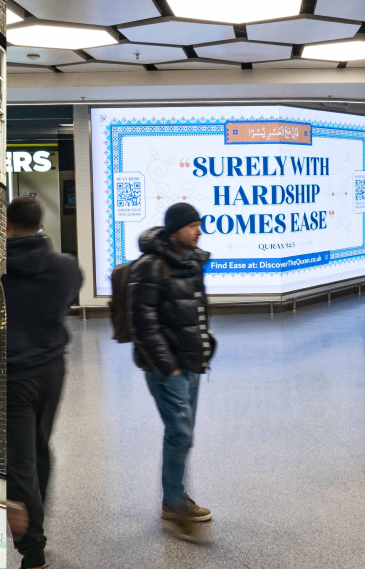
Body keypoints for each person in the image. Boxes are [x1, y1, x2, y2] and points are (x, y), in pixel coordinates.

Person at [129, 202, 217, 542]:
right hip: (168, 368)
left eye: (199, 225)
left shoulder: (192, 262)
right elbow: (143, 324)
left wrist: (203, 348)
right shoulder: (151, 266)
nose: (199, 231)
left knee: (182, 433)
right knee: (181, 432)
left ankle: (174, 496)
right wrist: (170, 366)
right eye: (193, 225)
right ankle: (175, 502)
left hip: (192, 363)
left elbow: (195, 311)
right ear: (175, 229)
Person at [6, 197, 83, 569]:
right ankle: (37, 510)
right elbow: (67, 300)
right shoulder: (65, 267)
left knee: (20, 461)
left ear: (6, 224)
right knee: (40, 447)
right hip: (53, 371)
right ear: (40, 224)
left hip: (15, 377)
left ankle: (33, 550)